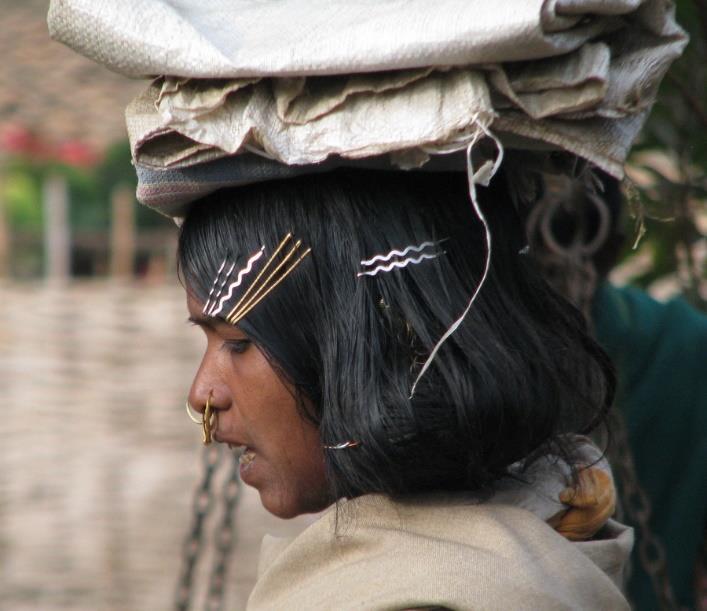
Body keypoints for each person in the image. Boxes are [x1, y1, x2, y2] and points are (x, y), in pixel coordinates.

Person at [178, 167, 632, 609]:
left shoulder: (433, 595)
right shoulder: (542, 542)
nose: (202, 394)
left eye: (238, 342)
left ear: (377, 341)